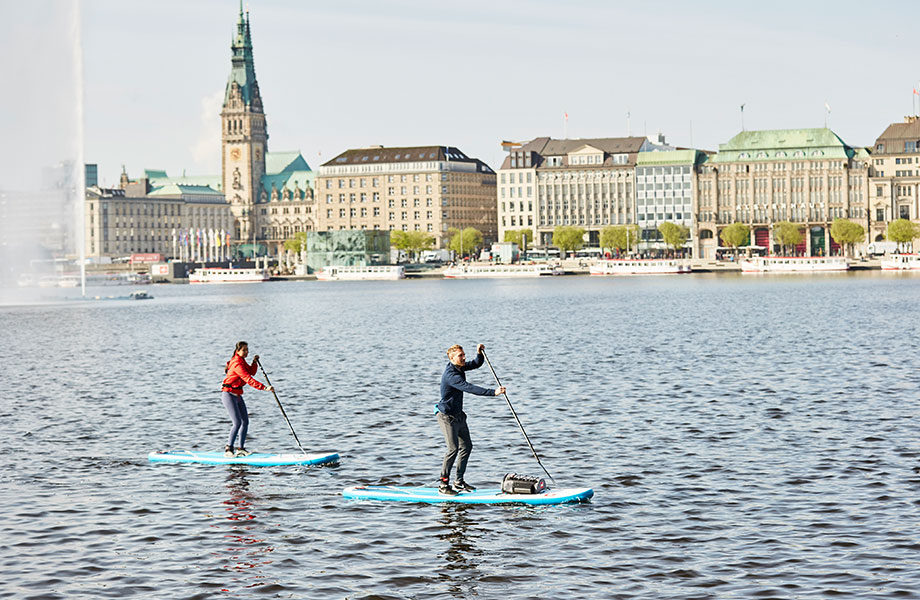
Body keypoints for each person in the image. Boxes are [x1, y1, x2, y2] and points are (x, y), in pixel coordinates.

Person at [436, 343, 506, 495]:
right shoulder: (451, 375)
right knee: (453, 449)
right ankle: (443, 484)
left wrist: (479, 353)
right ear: (452, 358)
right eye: (461, 356)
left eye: (464, 354)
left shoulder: (459, 367)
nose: (464, 358)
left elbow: (476, 363)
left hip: (459, 416)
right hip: (446, 417)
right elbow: (469, 388)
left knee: (467, 446)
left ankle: (459, 482)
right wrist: (492, 392)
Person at [221, 341, 273, 457]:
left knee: (245, 421)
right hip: (228, 395)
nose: (246, 352)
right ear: (237, 351)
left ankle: (241, 449)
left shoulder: (242, 361)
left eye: (247, 350)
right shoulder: (237, 364)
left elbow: (251, 372)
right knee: (237, 422)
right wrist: (264, 388)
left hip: (237, 395)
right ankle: (228, 449)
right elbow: (248, 379)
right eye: (244, 350)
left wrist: (254, 363)